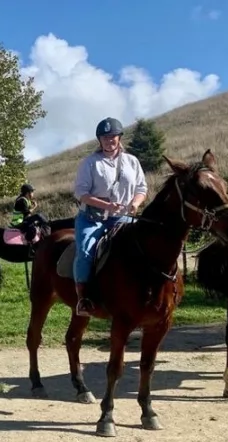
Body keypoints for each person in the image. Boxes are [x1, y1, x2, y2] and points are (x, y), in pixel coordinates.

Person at [72, 117, 147, 316]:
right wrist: (106, 205)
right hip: (92, 218)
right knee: (86, 251)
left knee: (142, 250)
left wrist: (136, 203)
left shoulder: (132, 161)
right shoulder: (90, 163)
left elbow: (141, 188)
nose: (109, 140)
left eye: (112, 136)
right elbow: (81, 193)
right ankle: (83, 299)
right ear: (99, 140)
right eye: (104, 137)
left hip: (123, 218)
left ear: (119, 137)